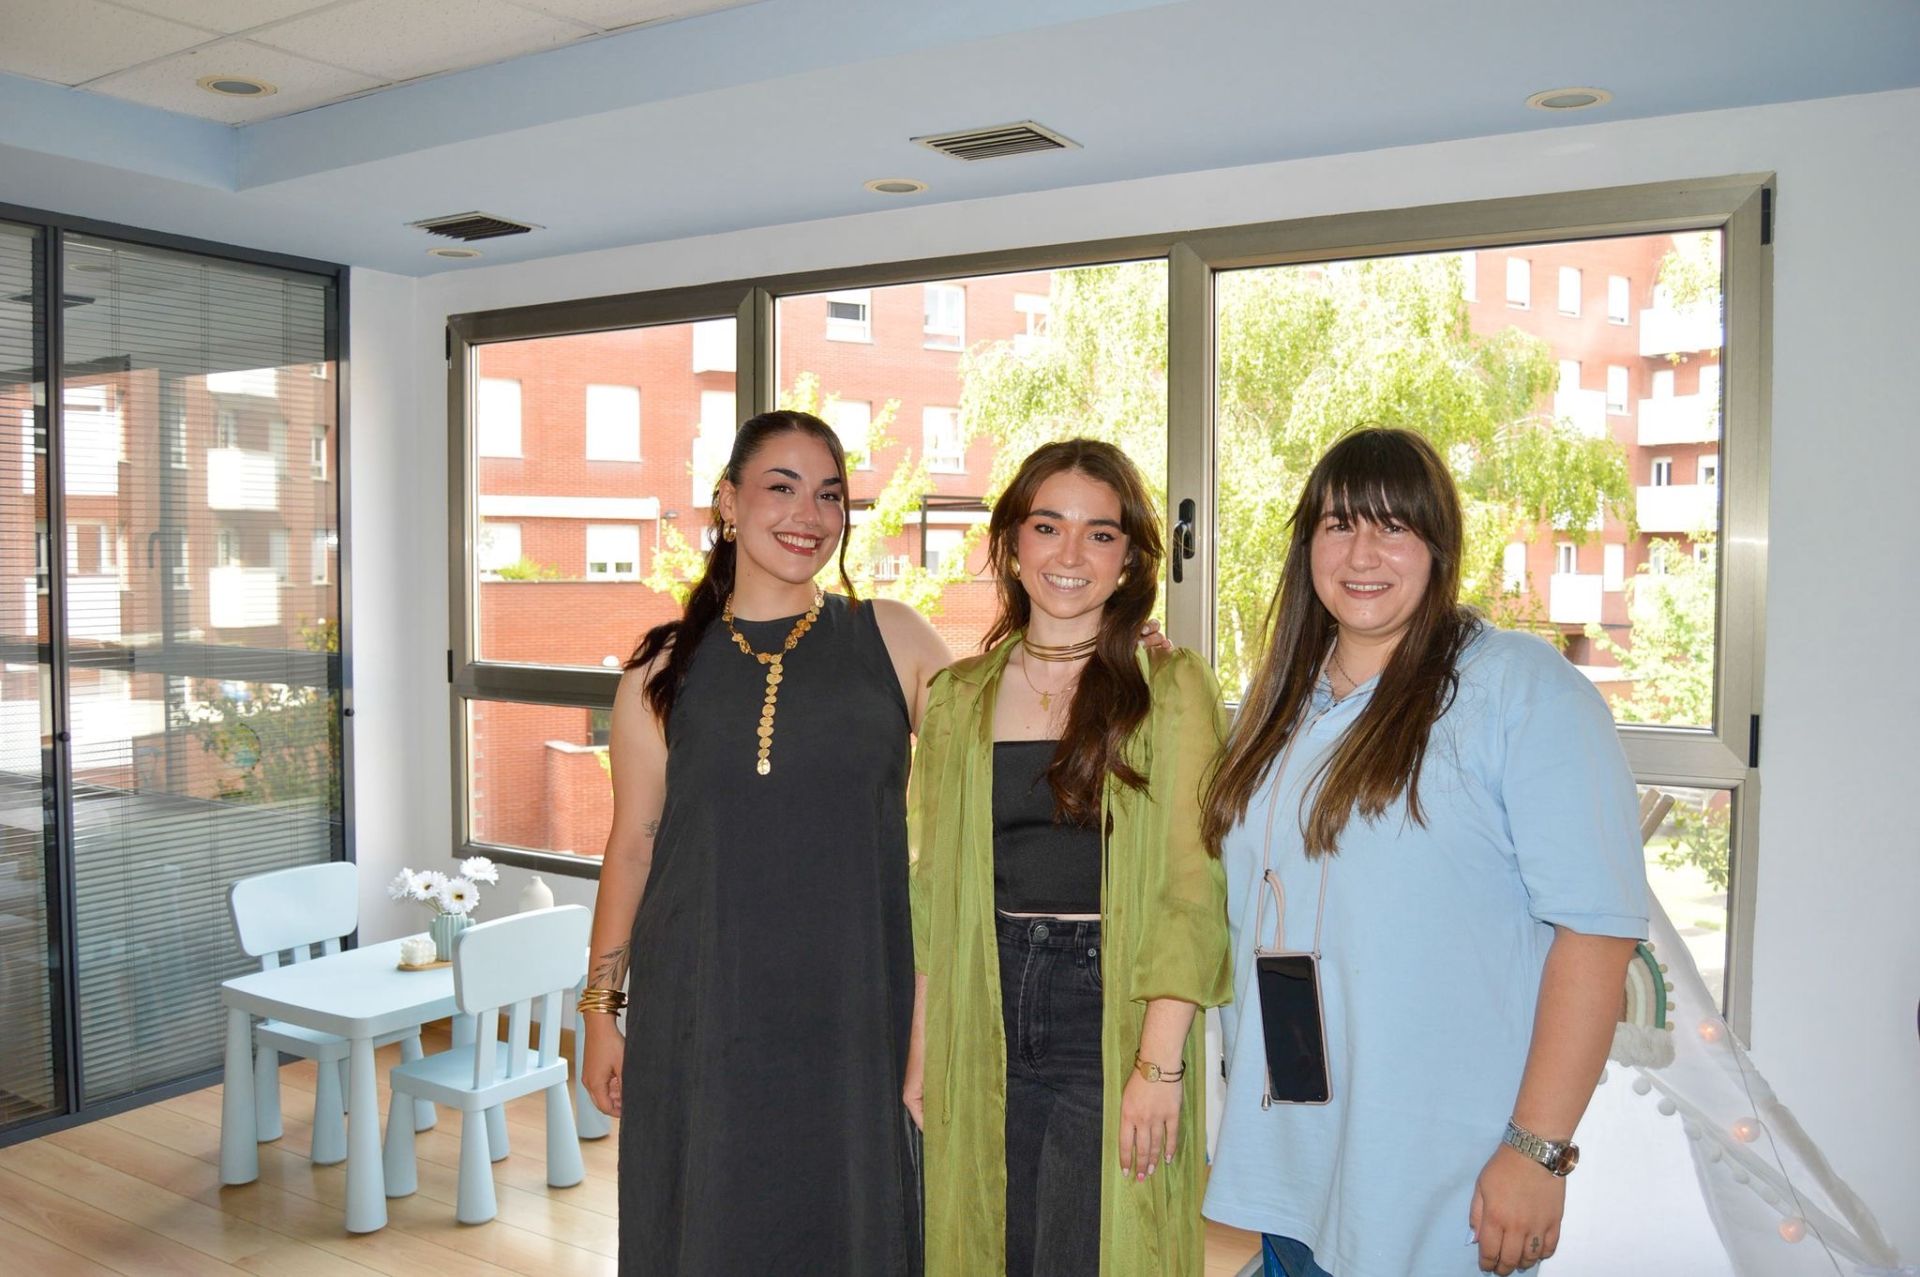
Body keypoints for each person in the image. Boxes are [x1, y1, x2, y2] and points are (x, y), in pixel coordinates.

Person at [1199, 427, 1649, 1277]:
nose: (1363, 551)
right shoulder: (1282, 704)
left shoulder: (1519, 688)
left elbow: (1597, 932)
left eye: (1393, 526)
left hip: (1442, 1181)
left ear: (1439, 548)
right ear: (1307, 547)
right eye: (1338, 524)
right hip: (1291, 1165)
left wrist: (1538, 1149)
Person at [577, 410, 951, 1274]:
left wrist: (1107, 656)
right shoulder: (660, 671)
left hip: (855, 1007)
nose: (809, 514)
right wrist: (600, 1011)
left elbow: (1010, 730)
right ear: (729, 503)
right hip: (703, 1012)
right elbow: (633, 847)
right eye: (782, 486)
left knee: (848, 1224)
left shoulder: (892, 637)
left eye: (830, 495)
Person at [906, 438, 1232, 1277]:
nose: (1070, 554)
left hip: (1110, 1002)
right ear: (1013, 542)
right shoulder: (958, 697)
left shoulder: (1170, 687)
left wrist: (1159, 1063)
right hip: (984, 993)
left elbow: (1194, 885)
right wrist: (921, 1050)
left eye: (1100, 533)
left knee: (1089, 1250)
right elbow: (934, 892)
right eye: (1048, 526)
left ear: (1129, 561)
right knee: (990, 1238)